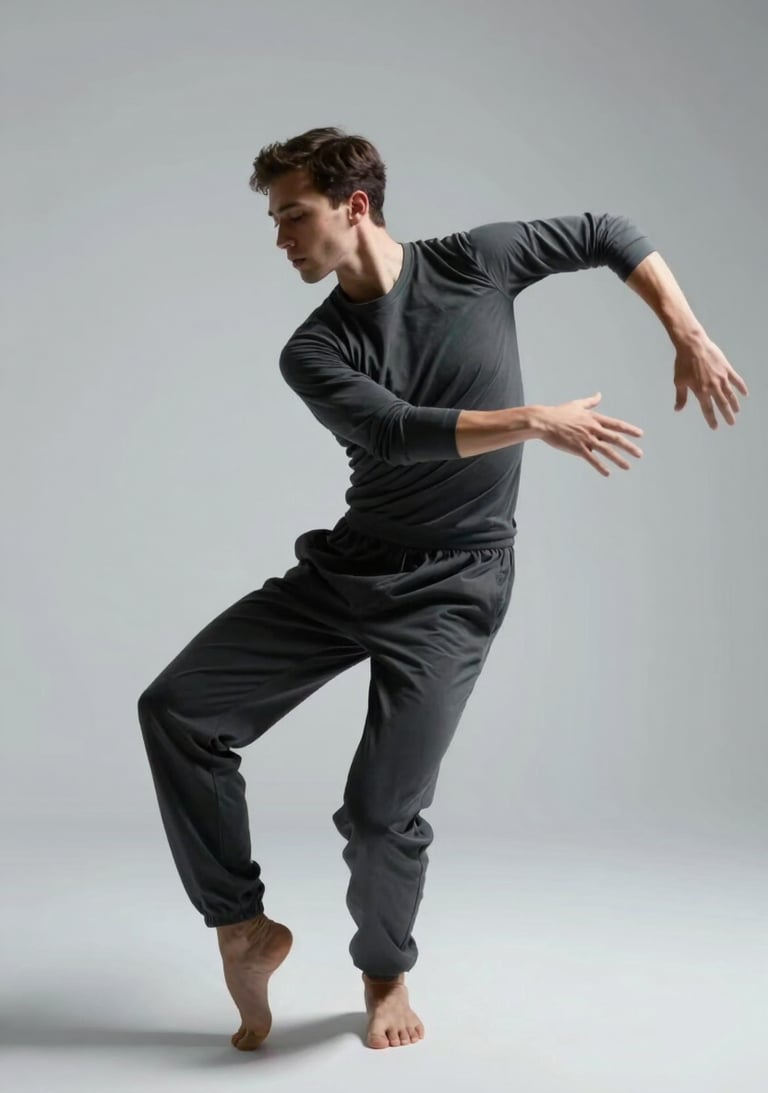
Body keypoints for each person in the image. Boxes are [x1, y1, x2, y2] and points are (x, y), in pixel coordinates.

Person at [137, 126, 749, 1052]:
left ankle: (384, 973)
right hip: (350, 568)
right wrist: (531, 421)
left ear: (355, 206)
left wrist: (687, 331)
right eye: (274, 221)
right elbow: (394, 433)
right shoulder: (311, 350)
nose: (281, 239)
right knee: (177, 709)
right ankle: (240, 926)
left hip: (457, 586)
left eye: (293, 215)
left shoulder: (478, 261)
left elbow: (607, 230)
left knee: (382, 813)